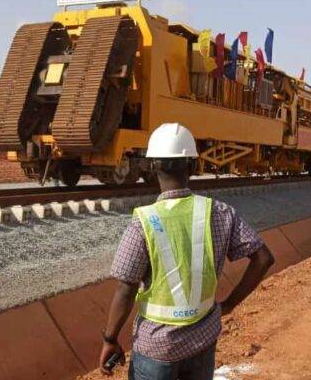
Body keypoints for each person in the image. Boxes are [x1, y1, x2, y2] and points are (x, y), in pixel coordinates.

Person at [99, 123, 275, 380]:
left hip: (156, 348)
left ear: (152, 166)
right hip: (202, 341)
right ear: (192, 166)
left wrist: (110, 339)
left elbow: (125, 290)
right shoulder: (220, 212)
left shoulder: (144, 222)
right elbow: (264, 258)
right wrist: (229, 305)